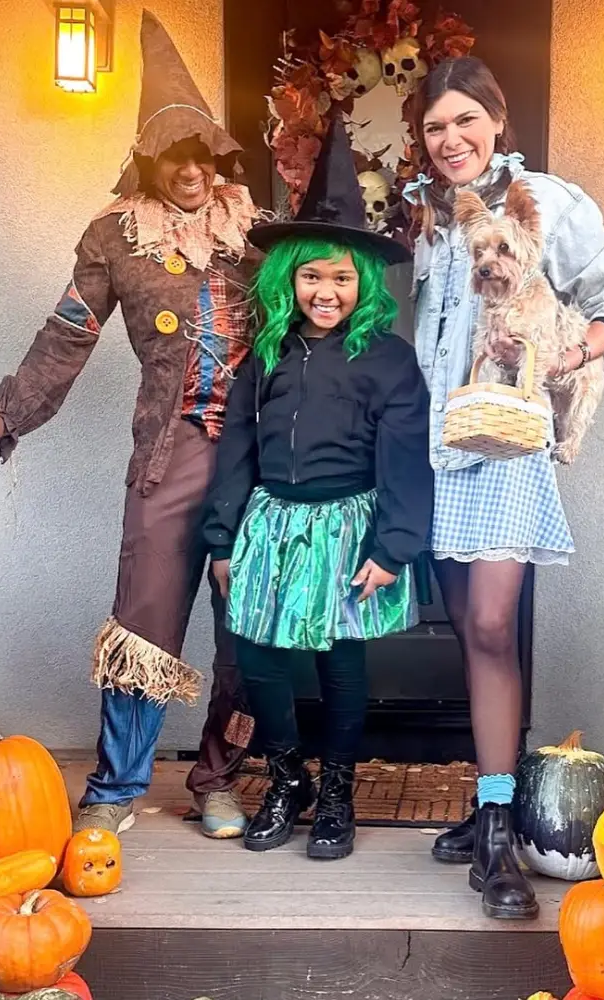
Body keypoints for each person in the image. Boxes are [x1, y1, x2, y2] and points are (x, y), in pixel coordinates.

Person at [0, 11, 264, 838]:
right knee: (144, 625)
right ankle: (117, 788)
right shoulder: (115, 236)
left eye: (204, 154)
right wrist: (3, 408)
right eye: (174, 155)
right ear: (150, 160)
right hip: (170, 454)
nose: (192, 171)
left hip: (261, 455)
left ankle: (217, 779)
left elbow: (321, 316)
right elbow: (68, 335)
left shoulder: (256, 231)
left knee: (249, 626)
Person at [404, 57, 604, 919]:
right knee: (468, 628)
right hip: (436, 443)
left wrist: (567, 356)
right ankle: (489, 800)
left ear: (498, 122)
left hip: (507, 443)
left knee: (495, 621)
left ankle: (500, 827)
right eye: (436, 127)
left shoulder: (546, 201)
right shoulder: (431, 219)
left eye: (466, 121)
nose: (452, 139)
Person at [202, 117, 433, 860]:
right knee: (261, 657)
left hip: (347, 526)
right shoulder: (264, 357)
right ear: (288, 278)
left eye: (340, 277)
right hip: (270, 524)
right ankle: (286, 776)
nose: (325, 290)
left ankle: (336, 790)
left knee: (339, 661)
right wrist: (222, 537)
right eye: (311, 275)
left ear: (362, 281)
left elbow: (405, 460)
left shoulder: (388, 361)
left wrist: (393, 546)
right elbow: (235, 447)